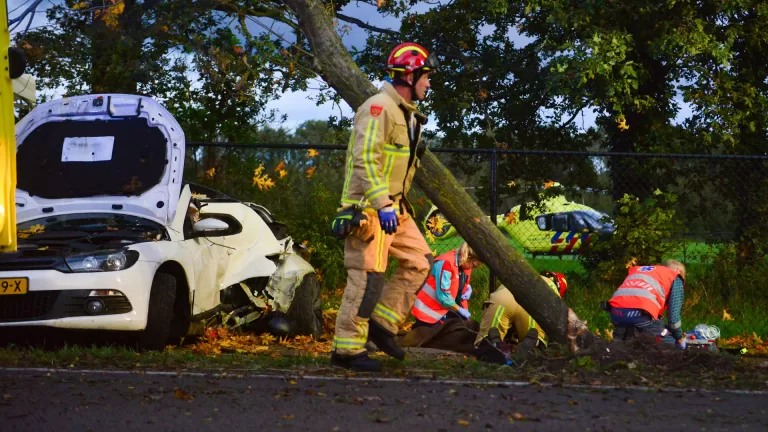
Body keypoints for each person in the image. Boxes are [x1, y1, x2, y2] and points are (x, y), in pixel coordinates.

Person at [328, 42, 440, 372]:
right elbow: (365, 159)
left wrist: (392, 206)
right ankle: (346, 350)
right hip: (371, 209)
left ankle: (382, 326)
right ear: (410, 75)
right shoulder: (378, 108)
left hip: (395, 208)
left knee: (421, 262)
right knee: (367, 281)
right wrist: (381, 204)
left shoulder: (404, 113)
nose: (428, 84)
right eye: (426, 77)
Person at [396, 243, 484, 353]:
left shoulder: (465, 265)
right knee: (429, 339)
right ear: (468, 257)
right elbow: (444, 297)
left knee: (463, 332)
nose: (474, 267)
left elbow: (461, 284)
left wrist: (467, 289)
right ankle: (404, 338)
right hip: (429, 312)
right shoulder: (446, 263)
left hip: (446, 310)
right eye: (474, 265)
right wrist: (460, 310)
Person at [473, 271, 567, 363]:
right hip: (530, 305)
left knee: (485, 341)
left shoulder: (523, 273)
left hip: (502, 299)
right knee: (536, 349)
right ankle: (532, 347)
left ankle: (494, 344)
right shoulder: (551, 287)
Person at [605, 259, 687, 349]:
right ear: (680, 273)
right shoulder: (675, 277)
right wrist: (679, 338)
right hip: (642, 313)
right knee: (668, 343)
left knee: (621, 345)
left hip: (616, 312)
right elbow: (673, 318)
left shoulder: (642, 271)